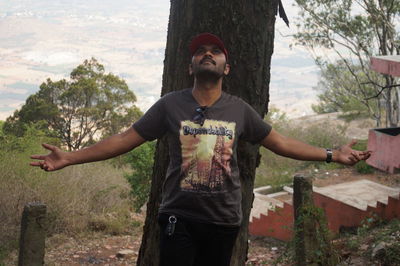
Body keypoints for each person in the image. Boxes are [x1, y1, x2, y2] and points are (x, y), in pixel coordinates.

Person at [30, 33, 371, 266]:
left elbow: (281, 143)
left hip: (223, 221)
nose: (207, 53)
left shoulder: (240, 110)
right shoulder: (169, 106)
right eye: (200, 52)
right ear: (191, 67)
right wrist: (70, 157)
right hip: (179, 216)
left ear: (226, 67)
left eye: (215, 51)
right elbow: (123, 140)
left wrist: (332, 154)